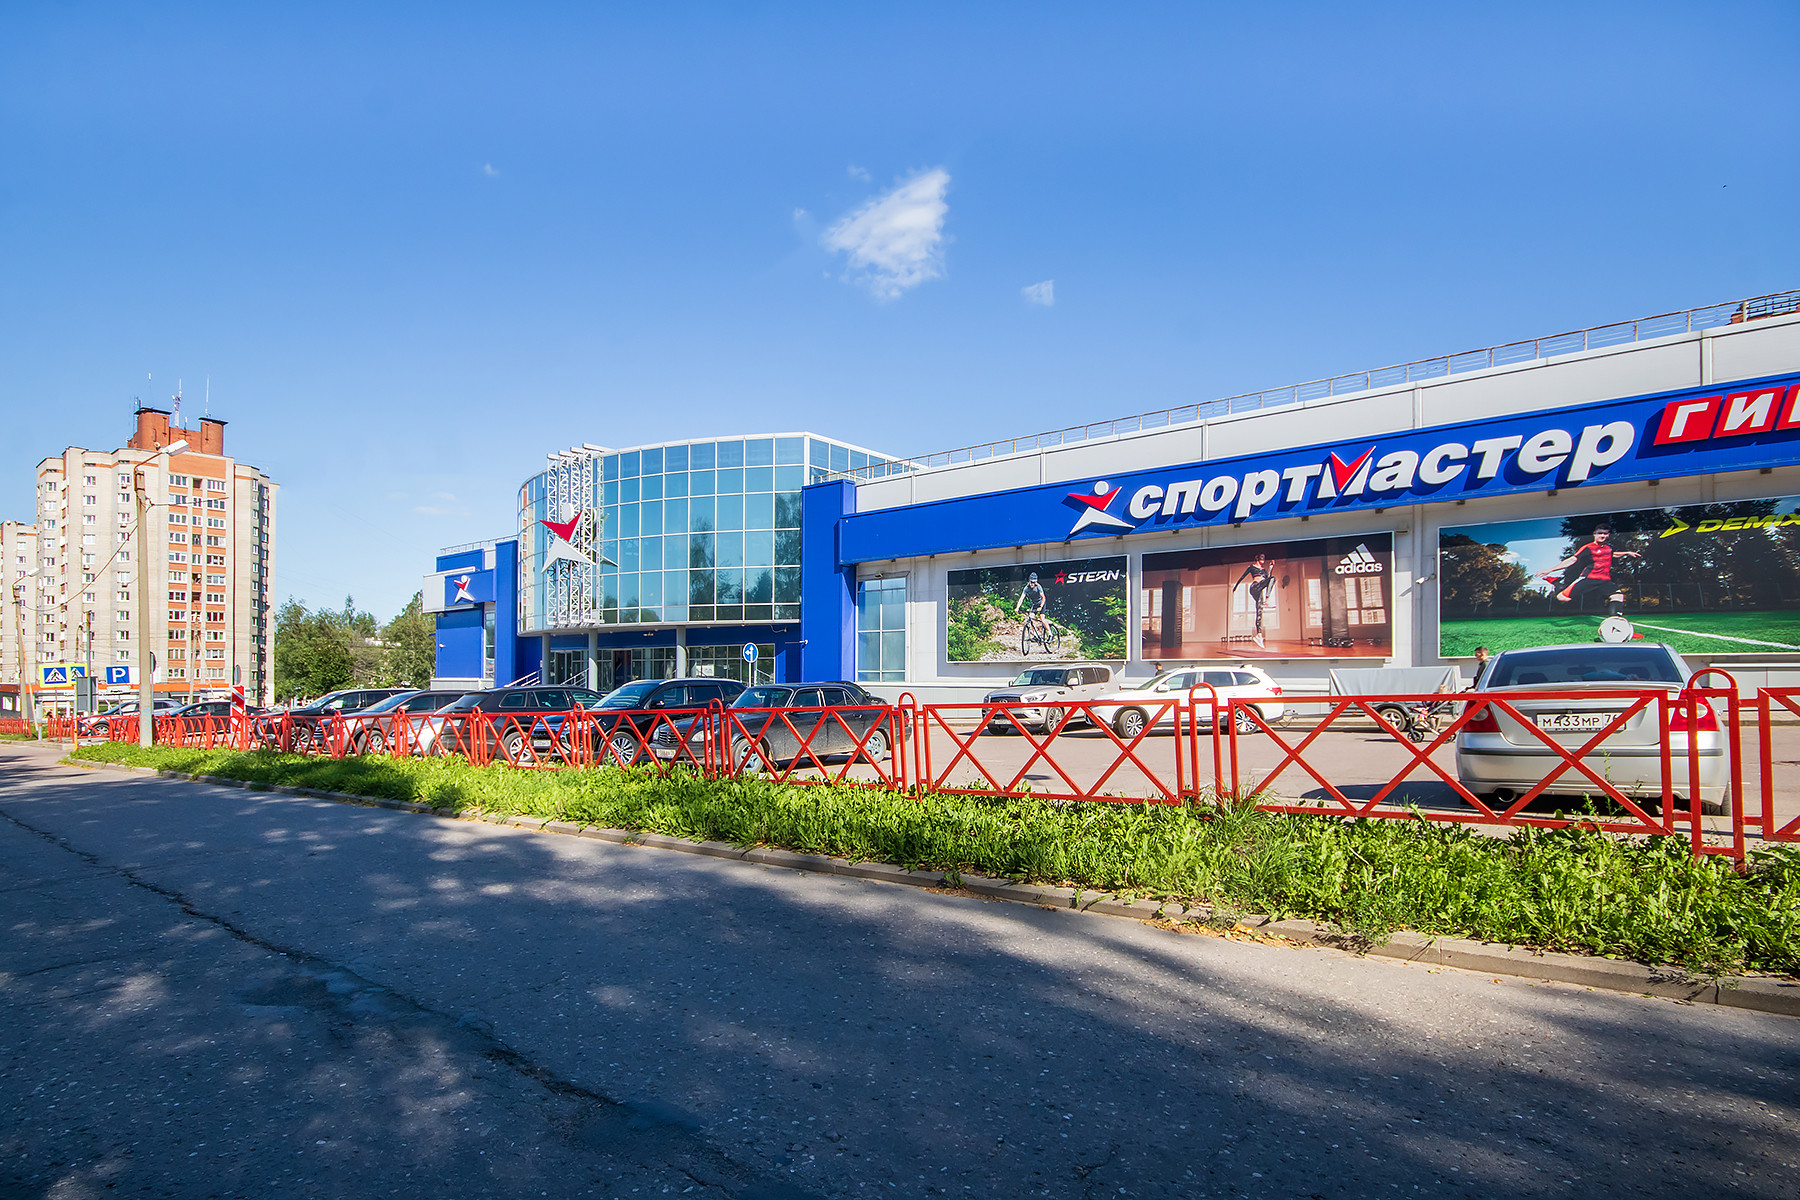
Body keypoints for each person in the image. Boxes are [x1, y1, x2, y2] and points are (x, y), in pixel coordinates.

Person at [1543, 523, 1641, 608]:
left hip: (1605, 580)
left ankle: (1616, 621)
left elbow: (1613, 554)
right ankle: (1555, 582)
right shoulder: (1588, 547)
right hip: (1589, 578)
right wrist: (1551, 570)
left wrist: (1627, 552)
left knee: (1618, 596)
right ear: (1594, 534)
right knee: (1563, 598)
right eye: (1600, 533)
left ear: (1608, 535)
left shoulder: (1608, 548)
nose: (1602, 536)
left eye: (1605, 534)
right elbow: (1572, 559)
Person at [1233, 554, 1275, 649]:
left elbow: (1269, 580)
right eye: (1261, 558)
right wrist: (1235, 587)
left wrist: (1271, 567)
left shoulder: (1264, 570)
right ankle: (1267, 600)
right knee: (1272, 579)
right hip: (1255, 587)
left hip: (1260, 590)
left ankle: (1258, 635)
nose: (1263, 560)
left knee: (1259, 611)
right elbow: (1242, 576)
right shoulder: (1251, 567)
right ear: (1257, 559)